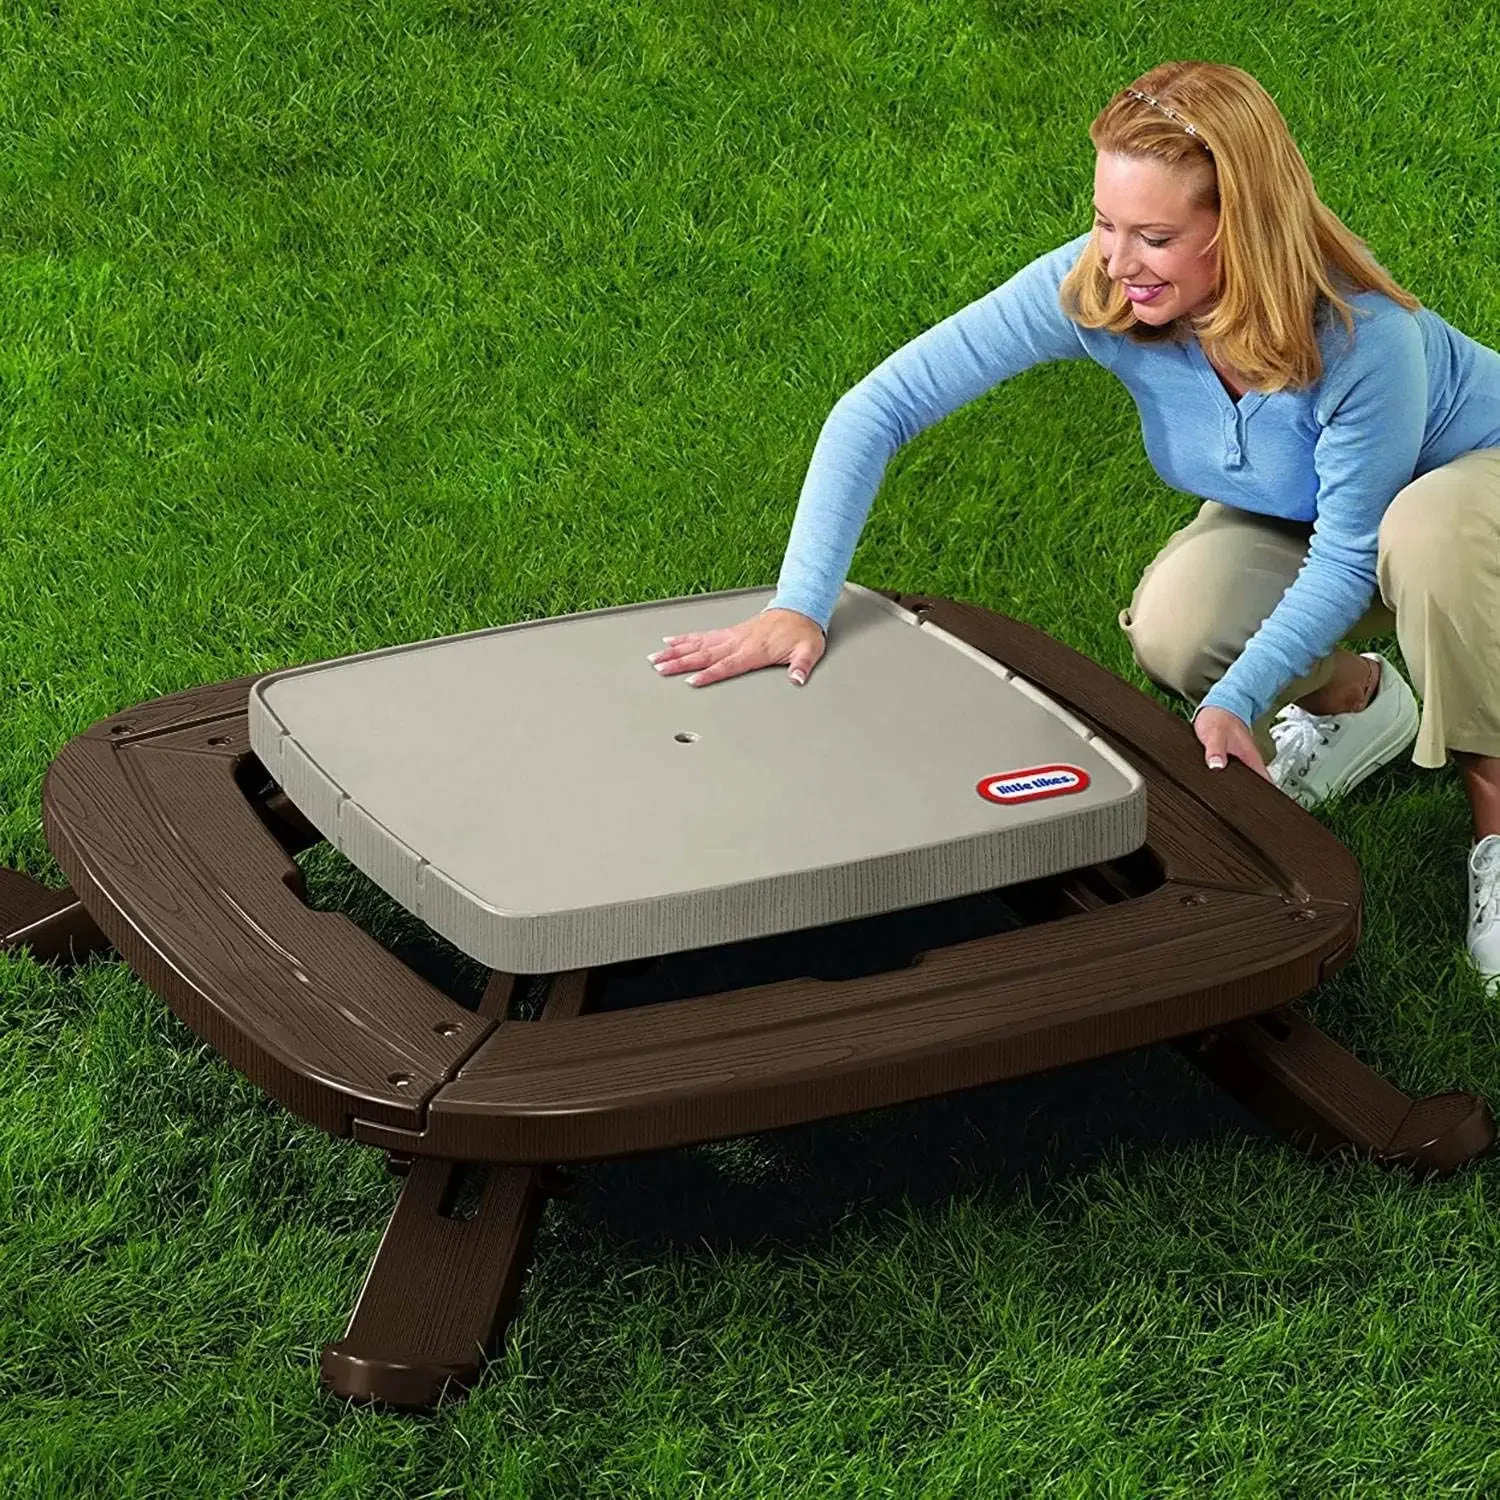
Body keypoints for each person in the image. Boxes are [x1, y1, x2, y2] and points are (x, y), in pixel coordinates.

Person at [645, 61, 1500, 994]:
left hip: (1469, 501)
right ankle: (1361, 703)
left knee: (1425, 533)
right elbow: (876, 408)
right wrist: (800, 604)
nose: (1118, 260)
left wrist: (1237, 699)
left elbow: (1346, 558)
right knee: (1180, 619)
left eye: (1156, 236)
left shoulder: (1361, 334)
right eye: (1104, 223)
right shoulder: (1102, 287)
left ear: (1242, 224)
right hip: (1327, 514)